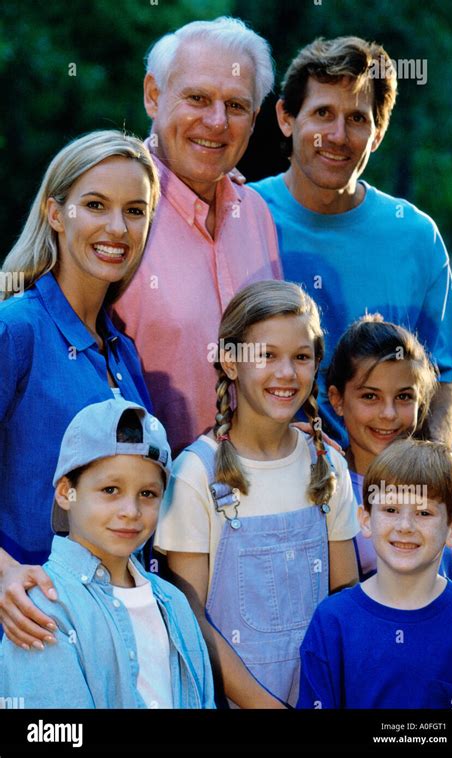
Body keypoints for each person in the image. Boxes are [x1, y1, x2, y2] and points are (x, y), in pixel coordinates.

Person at [250, 36, 452, 447]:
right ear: (286, 117)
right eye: (322, 113)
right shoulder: (241, 216)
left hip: (384, 492)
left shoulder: (415, 236)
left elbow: (442, 379)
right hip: (269, 486)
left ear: (377, 133)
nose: (338, 135)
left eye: (357, 118)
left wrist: (426, 476)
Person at [155, 281, 359, 708]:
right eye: (267, 355)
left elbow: (345, 597)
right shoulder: (195, 475)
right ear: (230, 362)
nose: (287, 373)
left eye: (301, 357)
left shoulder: (328, 467)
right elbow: (193, 623)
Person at [0, 130, 158, 649]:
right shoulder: (16, 328)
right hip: (29, 629)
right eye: (95, 205)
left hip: (109, 634)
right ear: (54, 213)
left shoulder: (124, 353)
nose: (117, 227)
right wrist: (2, 573)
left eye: (135, 210)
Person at [112, 17, 281, 456]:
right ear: (154, 95)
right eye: (198, 98)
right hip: (146, 503)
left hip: (255, 493)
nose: (217, 122)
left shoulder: (257, 214)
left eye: (236, 106)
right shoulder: (111, 209)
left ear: (255, 118)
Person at [0, 398, 215, 708]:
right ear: (65, 492)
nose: (131, 511)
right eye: (110, 490)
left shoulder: (175, 603)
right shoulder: (42, 610)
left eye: (147, 493)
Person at [297, 438, 452, 709]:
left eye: (424, 513)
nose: (405, 526)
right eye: (391, 510)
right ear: (366, 520)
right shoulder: (333, 622)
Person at [326, 314, 452, 587]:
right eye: (370, 396)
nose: (388, 414)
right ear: (337, 400)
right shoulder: (327, 488)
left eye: (404, 397)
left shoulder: (442, 482)